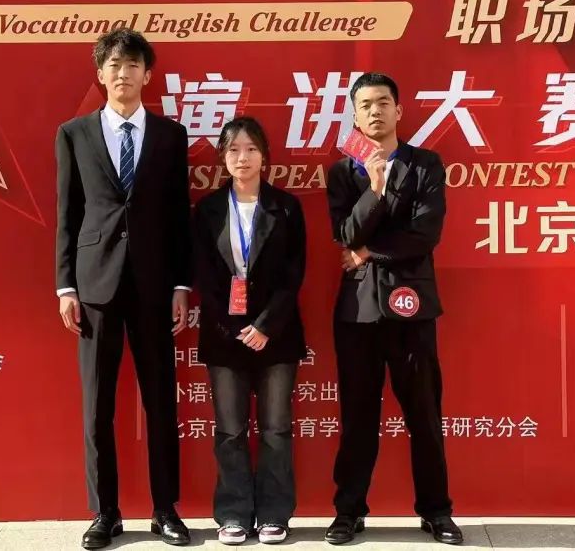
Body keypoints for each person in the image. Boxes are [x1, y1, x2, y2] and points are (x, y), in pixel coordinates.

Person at [55, 29, 192, 549]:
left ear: (147, 74)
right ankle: (105, 512)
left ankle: (165, 509)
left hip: (155, 285)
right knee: (97, 405)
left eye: (132, 65)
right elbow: (68, 215)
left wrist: (181, 283)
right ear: (100, 74)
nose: (123, 73)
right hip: (95, 286)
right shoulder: (74, 134)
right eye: (113, 65)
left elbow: (179, 216)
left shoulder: (170, 135)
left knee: (161, 401)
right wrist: (65, 286)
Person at [323, 72, 463, 546]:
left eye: (383, 102)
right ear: (354, 115)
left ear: (398, 110)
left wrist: (368, 252)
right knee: (357, 417)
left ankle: (436, 511)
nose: (375, 111)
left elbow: (425, 235)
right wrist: (376, 187)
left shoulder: (426, 165)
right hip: (358, 313)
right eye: (365, 105)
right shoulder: (343, 172)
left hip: (412, 309)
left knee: (423, 414)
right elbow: (345, 234)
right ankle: (348, 512)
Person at [191, 117, 307, 546]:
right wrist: (234, 327)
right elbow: (204, 277)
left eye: (252, 149)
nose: (243, 158)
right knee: (230, 430)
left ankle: (275, 514)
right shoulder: (206, 210)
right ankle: (233, 514)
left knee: (275, 429)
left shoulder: (286, 207)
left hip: (277, 335)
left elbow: (294, 275)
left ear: (265, 156)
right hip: (225, 337)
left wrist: (264, 326)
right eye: (234, 150)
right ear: (223, 157)